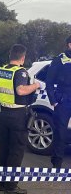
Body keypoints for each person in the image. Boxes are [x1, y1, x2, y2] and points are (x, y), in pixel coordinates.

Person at [0, 44, 42, 194]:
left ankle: (1, 183)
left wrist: (0, 107)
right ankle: (11, 186)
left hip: (3, 114)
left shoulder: (1, 70)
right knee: (16, 151)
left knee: (4, 149)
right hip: (18, 115)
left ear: (10, 56)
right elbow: (21, 90)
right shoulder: (21, 72)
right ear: (23, 58)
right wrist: (35, 85)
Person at [46, 35, 71, 169]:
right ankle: (57, 164)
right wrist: (53, 101)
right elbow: (49, 81)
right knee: (61, 133)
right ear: (69, 45)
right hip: (63, 99)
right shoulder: (59, 60)